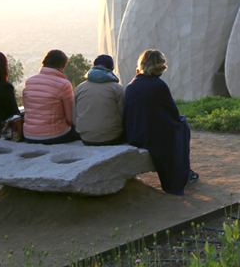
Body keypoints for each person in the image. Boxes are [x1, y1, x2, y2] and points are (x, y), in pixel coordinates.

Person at [123, 49, 198, 195]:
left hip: (135, 133)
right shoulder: (158, 85)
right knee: (183, 127)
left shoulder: (132, 84)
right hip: (151, 136)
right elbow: (173, 114)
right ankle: (185, 173)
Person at [22, 49, 80, 144]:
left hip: (28, 135)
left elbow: (27, 108)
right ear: (61, 66)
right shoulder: (64, 84)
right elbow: (70, 119)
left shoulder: (29, 82)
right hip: (53, 136)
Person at [73, 54, 126, 146]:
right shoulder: (117, 88)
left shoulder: (79, 88)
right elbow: (124, 116)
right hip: (112, 137)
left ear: (93, 68)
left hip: (86, 138)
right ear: (112, 69)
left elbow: (74, 117)